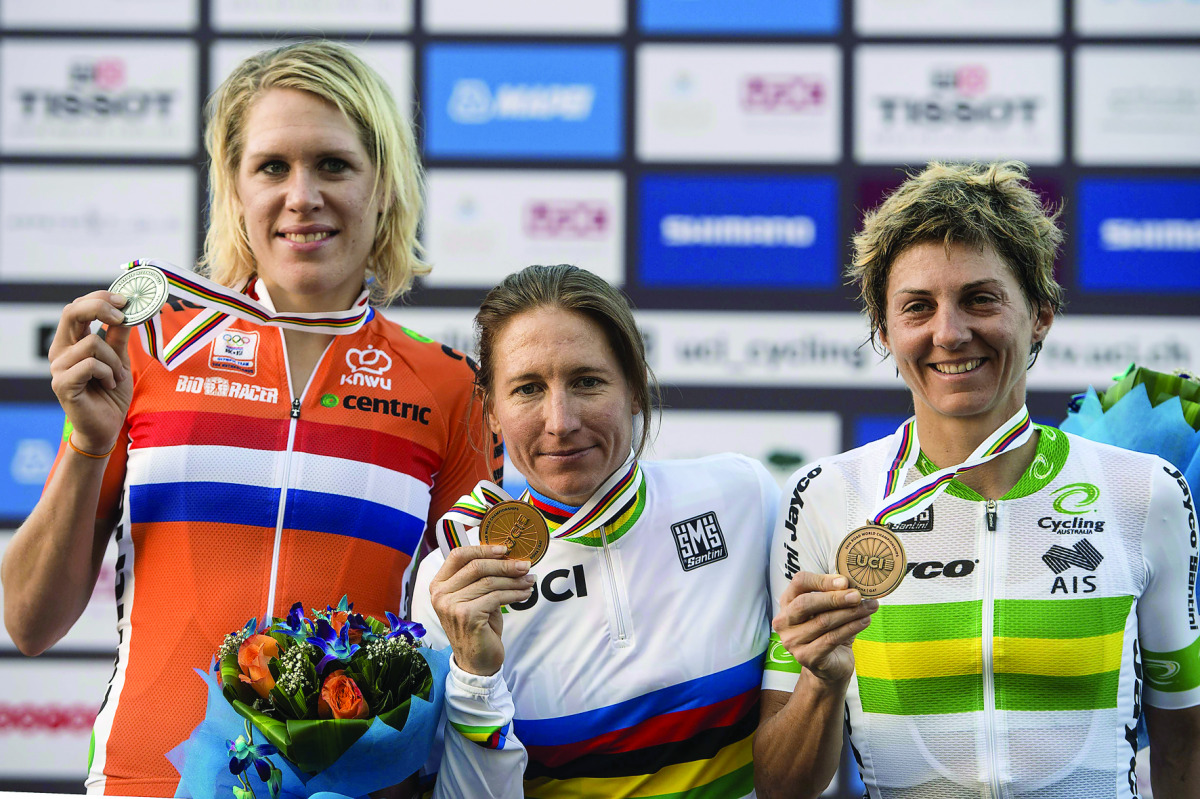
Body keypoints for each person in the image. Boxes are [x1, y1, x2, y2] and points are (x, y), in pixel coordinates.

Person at [0, 40, 500, 796]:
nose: (302, 196)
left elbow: (479, 639)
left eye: (333, 165)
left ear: (385, 189)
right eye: (272, 167)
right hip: (147, 782)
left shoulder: (449, 386)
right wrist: (82, 444)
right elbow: (29, 622)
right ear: (233, 191)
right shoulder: (152, 348)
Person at [755, 161, 1200, 799]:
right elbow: (779, 786)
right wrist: (821, 685)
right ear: (884, 331)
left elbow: (1186, 738)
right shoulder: (827, 497)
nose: (949, 332)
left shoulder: (1144, 490)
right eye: (917, 307)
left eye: (980, 299)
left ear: (1040, 314)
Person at [409, 264, 781, 798]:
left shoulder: (743, 498)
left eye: (587, 382)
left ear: (634, 388)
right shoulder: (454, 582)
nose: (559, 421)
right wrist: (475, 679)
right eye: (528, 389)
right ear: (491, 411)